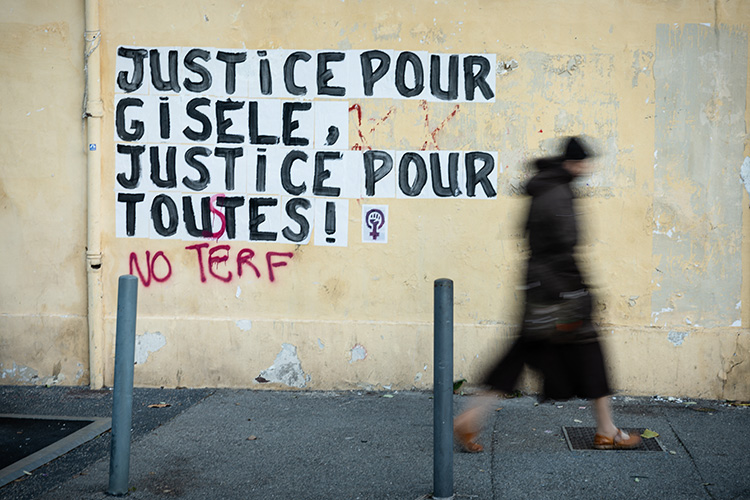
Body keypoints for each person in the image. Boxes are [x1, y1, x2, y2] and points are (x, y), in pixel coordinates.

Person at [454, 136, 641, 452]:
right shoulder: (558, 194)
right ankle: (607, 430)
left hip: (541, 292)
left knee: (517, 357)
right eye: (584, 162)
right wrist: (577, 295)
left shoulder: (546, 187)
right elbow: (561, 251)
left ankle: (470, 418)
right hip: (560, 296)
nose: (587, 168)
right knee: (591, 356)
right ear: (573, 163)